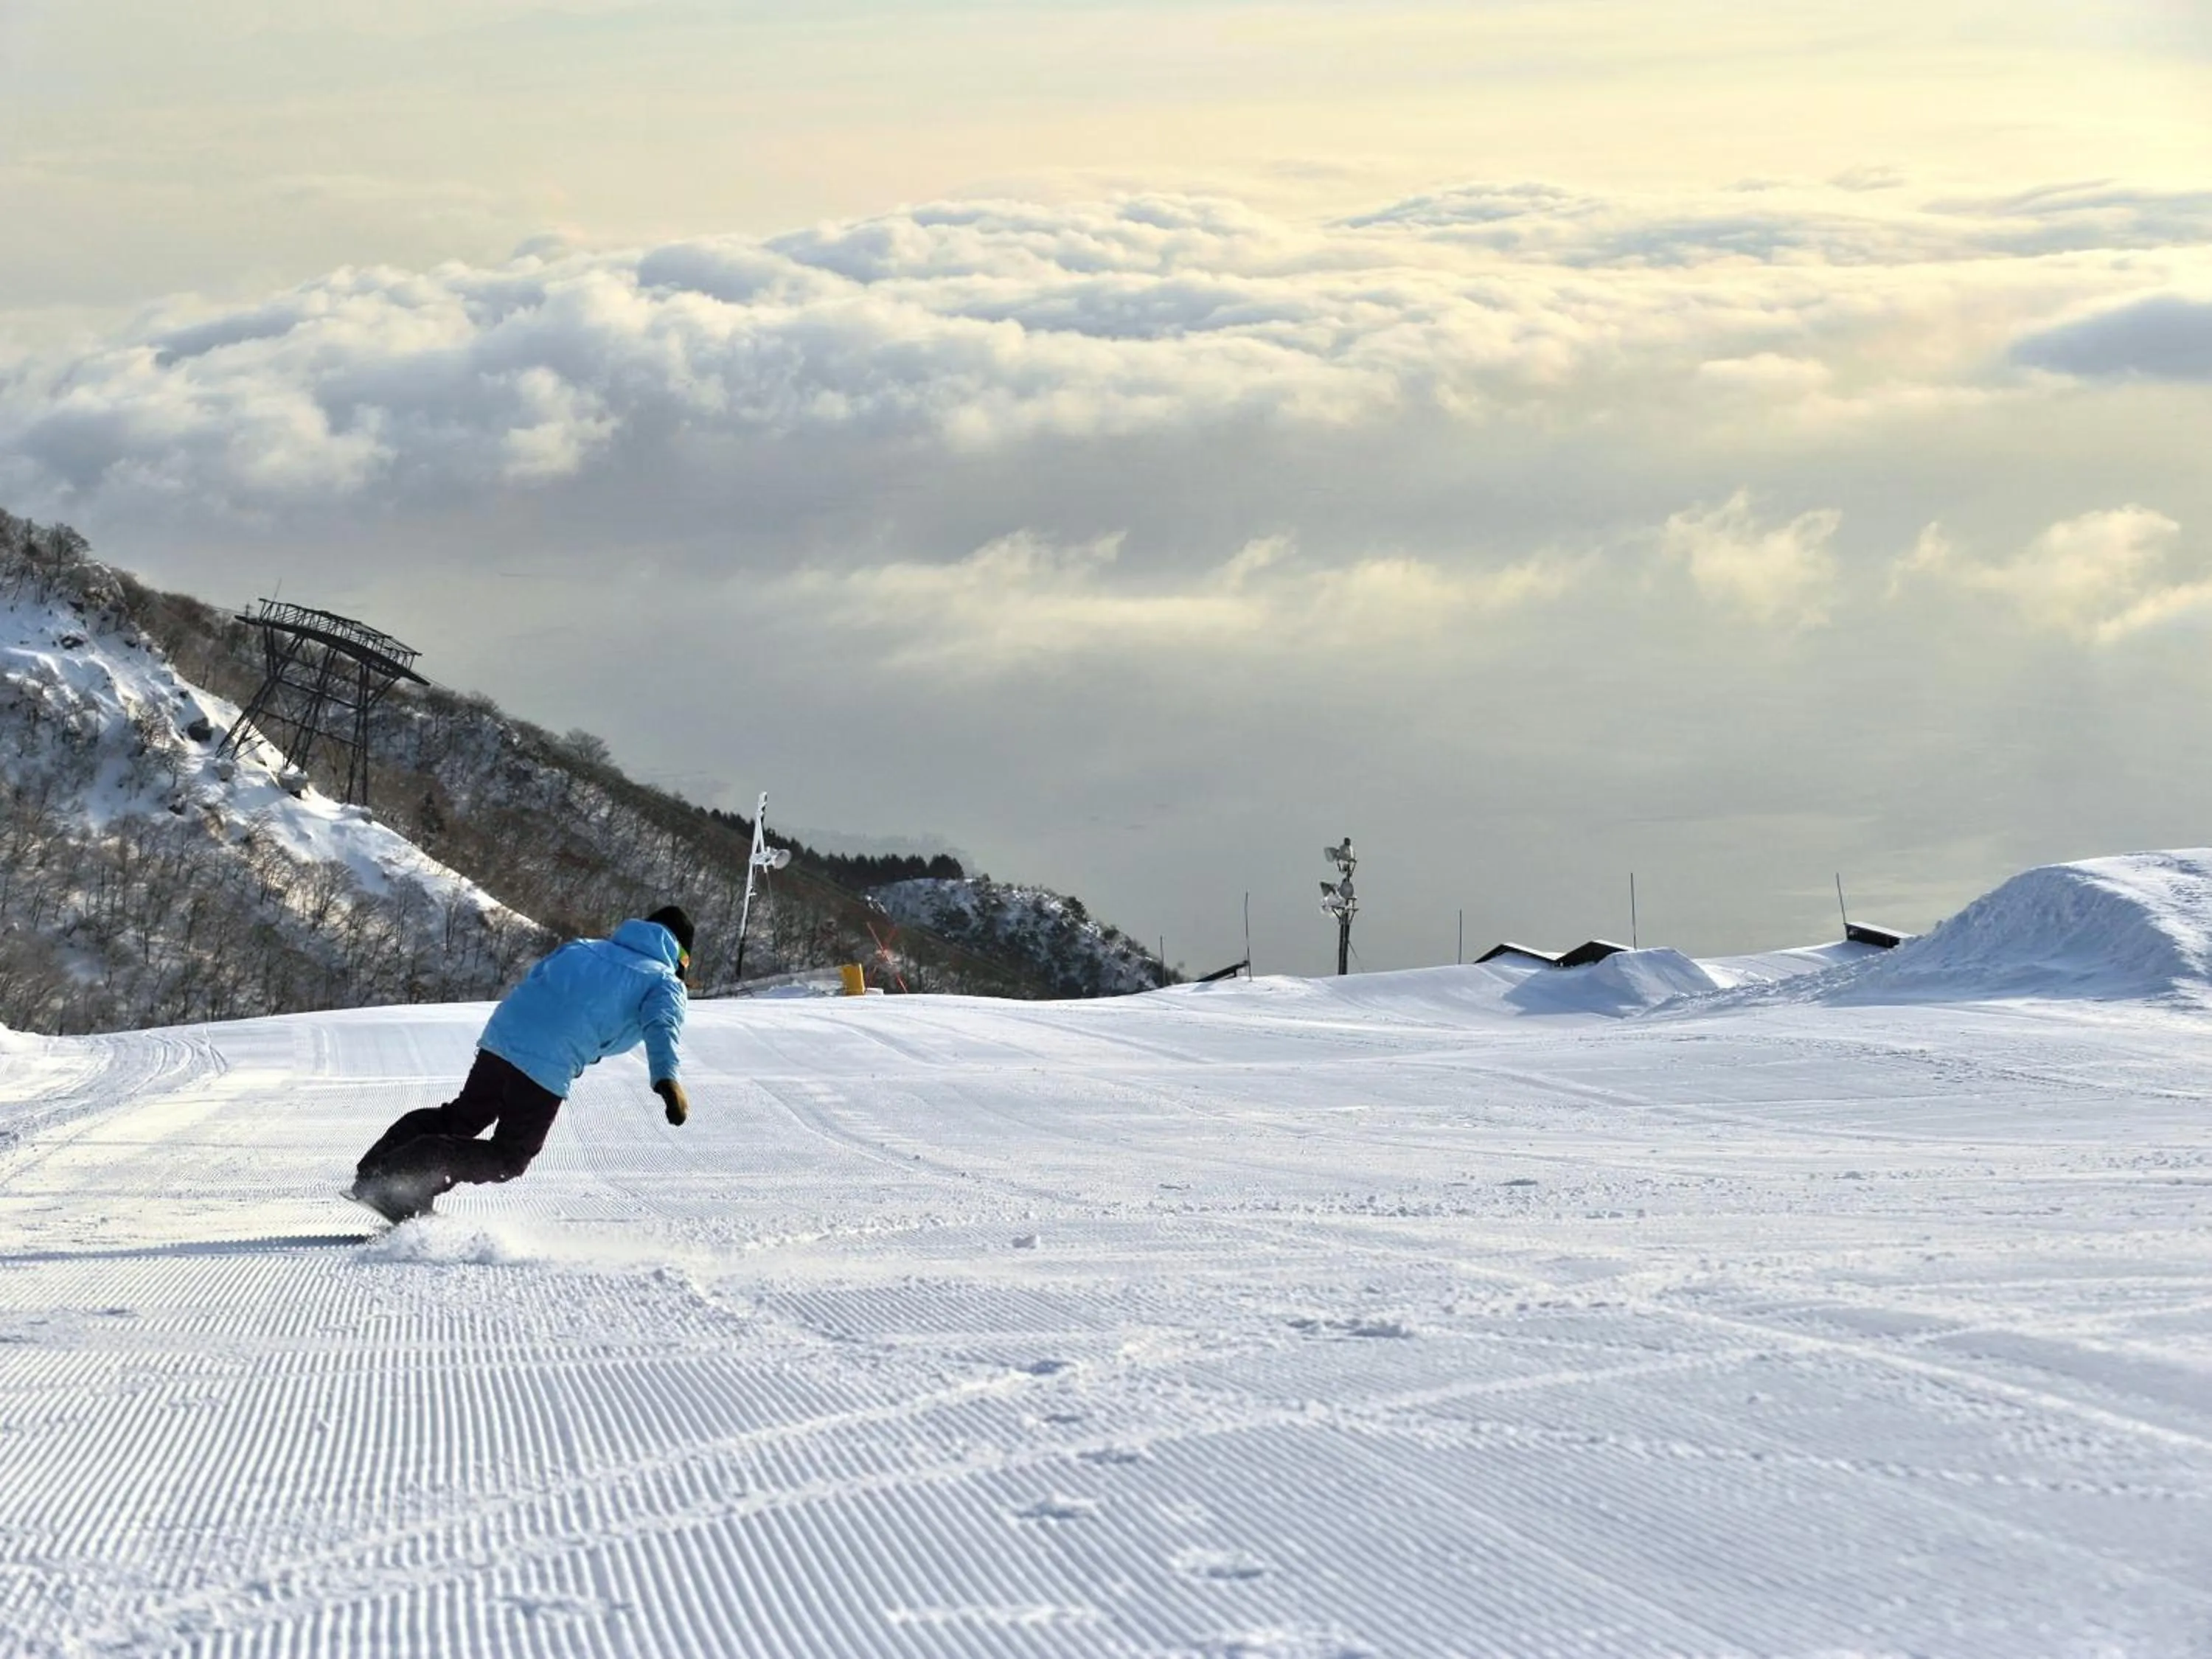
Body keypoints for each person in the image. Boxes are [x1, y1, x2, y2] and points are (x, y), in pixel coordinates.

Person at [349, 905, 695, 1222]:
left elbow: (538, 980)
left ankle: (375, 1173)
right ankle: (402, 1183)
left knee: (462, 1117)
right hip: (549, 1061)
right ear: (681, 954)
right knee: (509, 1157)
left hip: (503, 1036)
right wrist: (668, 1080)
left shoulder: (584, 948)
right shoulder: (664, 982)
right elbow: (662, 1026)